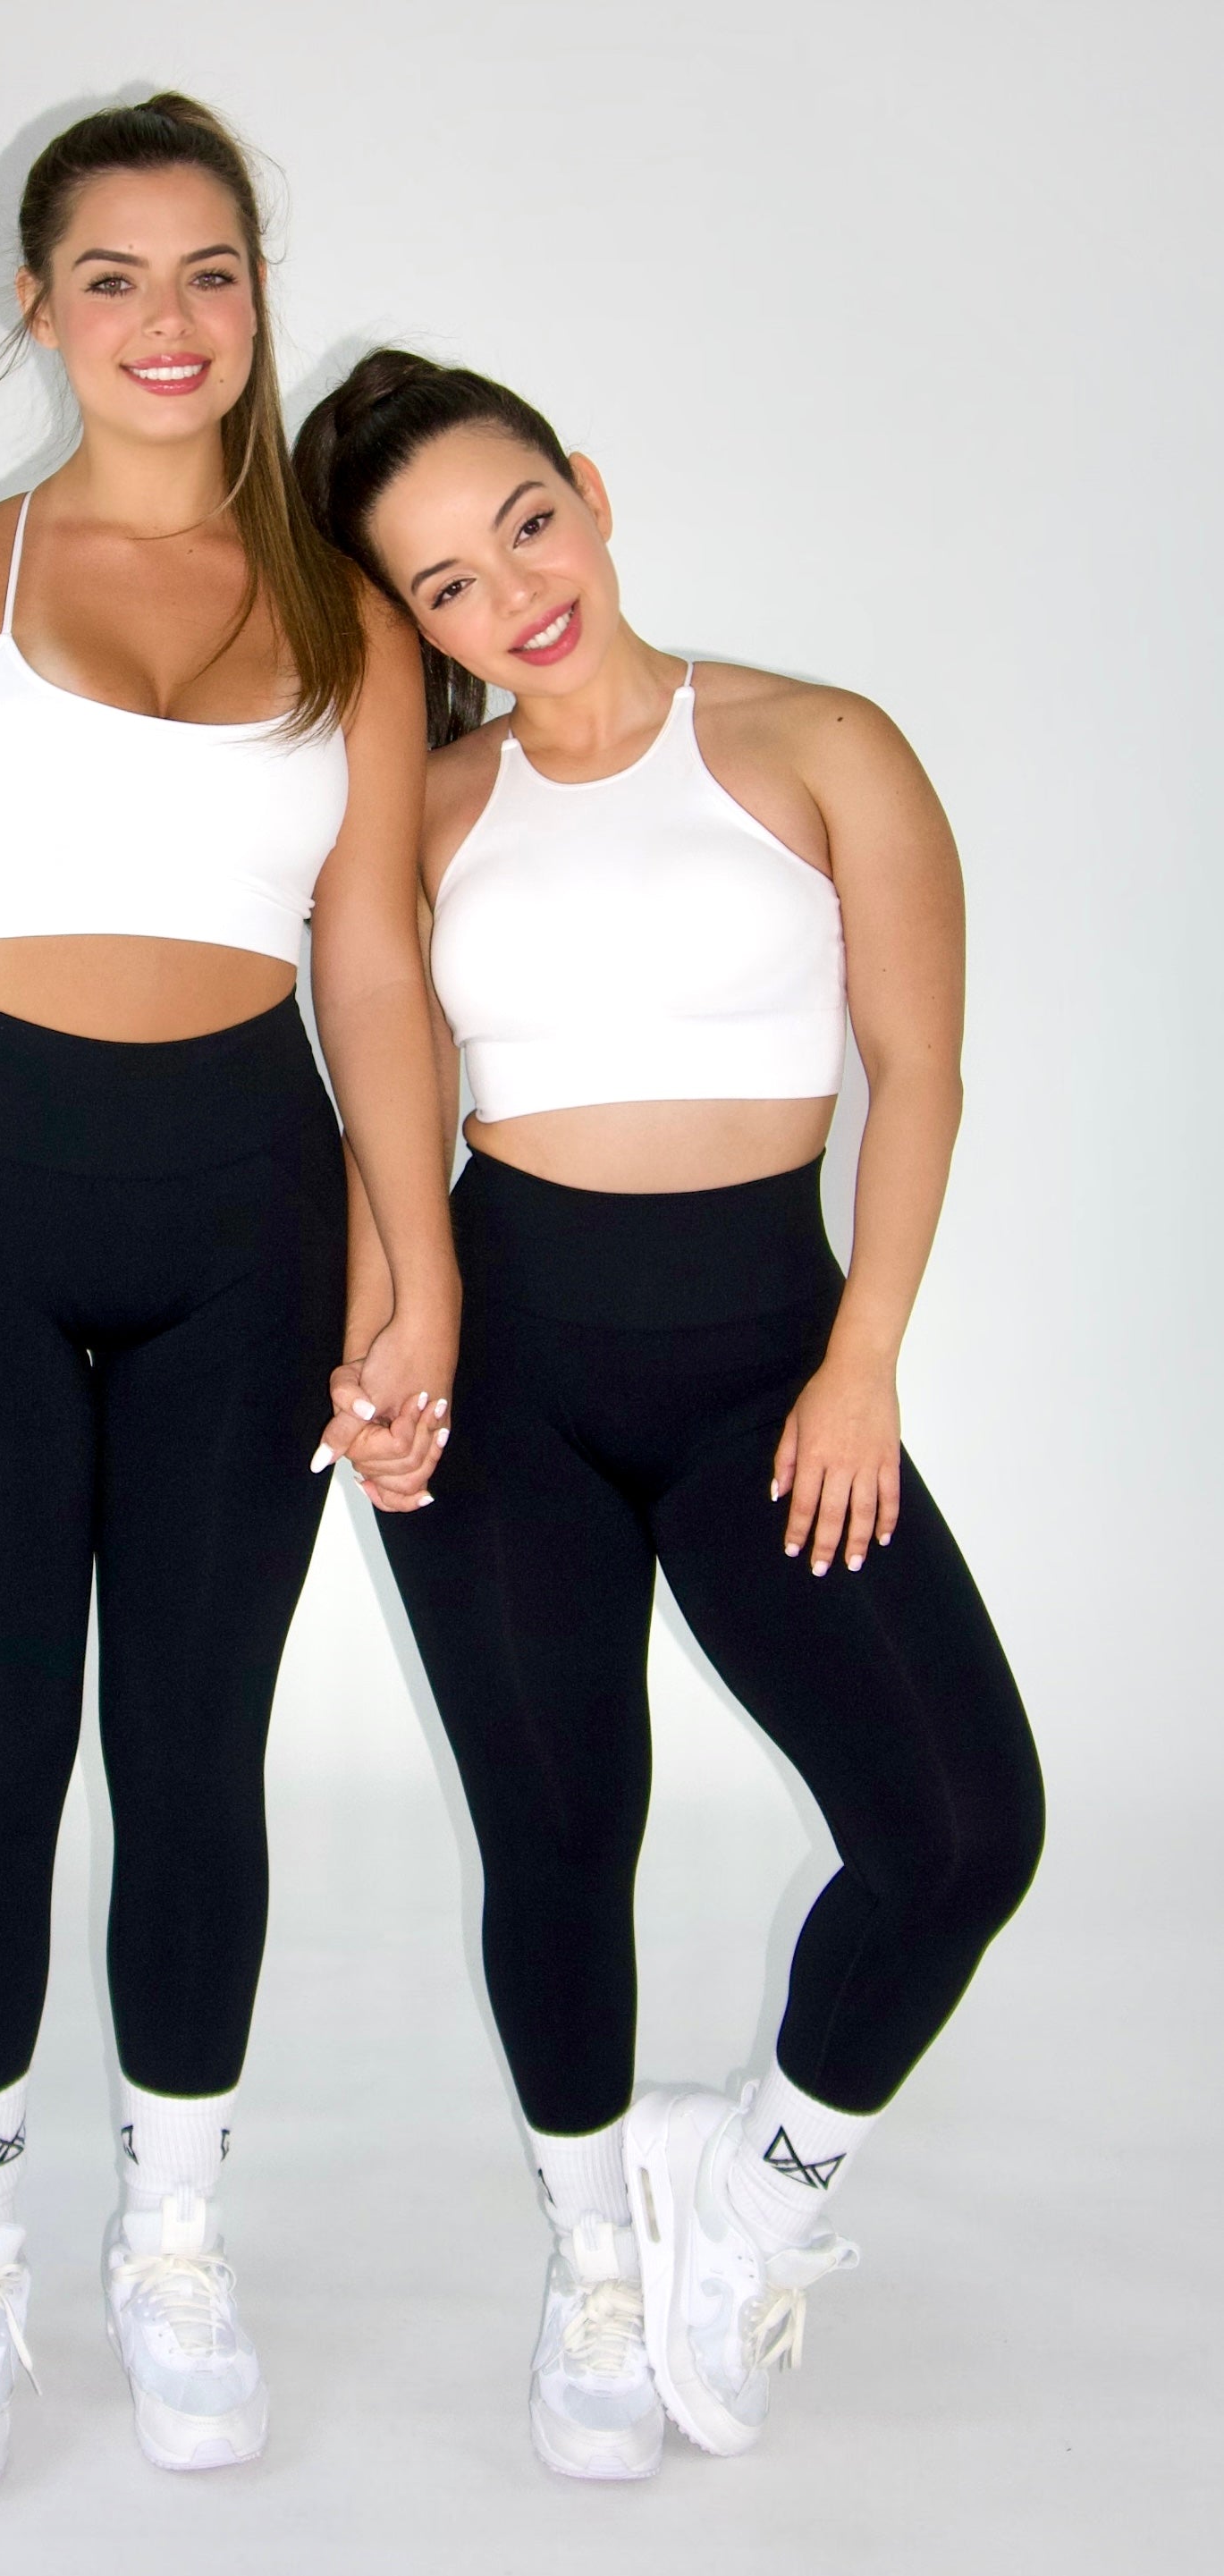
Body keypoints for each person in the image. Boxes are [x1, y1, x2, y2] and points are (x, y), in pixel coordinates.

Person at [0, 105, 454, 2491]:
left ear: (257, 292)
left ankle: (172, 2242)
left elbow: (377, 977)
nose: (168, 321)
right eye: (112, 276)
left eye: (209, 272)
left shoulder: (355, 624)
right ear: (38, 305)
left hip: (243, 1225)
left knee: (189, 1754)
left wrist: (417, 1273)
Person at [295, 351, 1044, 2479]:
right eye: (444, 585)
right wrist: (377, 1356)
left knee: (961, 1830)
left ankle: (758, 2180)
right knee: (558, 1831)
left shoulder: (821, 744)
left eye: (525, 523)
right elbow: (382, 1111)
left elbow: (922, 1071)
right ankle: (598, 2261)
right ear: (410, 625)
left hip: (768, 1371)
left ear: (592, 491)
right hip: (505, 1372)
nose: (512, 594)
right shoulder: (427, 812)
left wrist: (863, 1359)